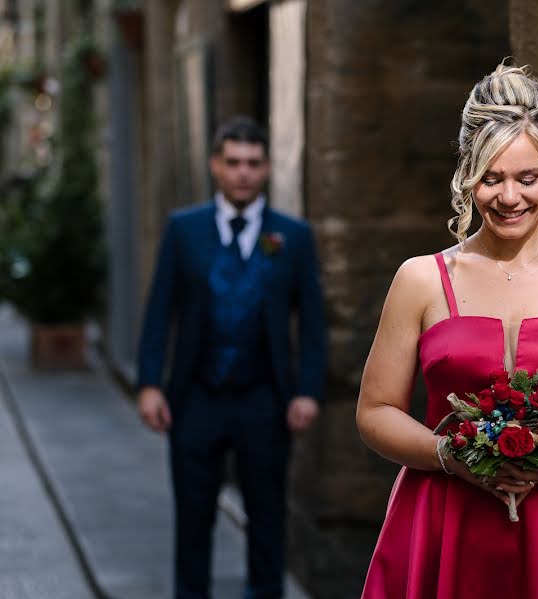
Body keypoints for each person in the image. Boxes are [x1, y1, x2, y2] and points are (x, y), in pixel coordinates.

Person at [355, 63, 538, 598]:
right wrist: (451, 456)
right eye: (491, 179)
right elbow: (375, 411)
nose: (509, 198)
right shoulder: (420, 279)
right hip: (444, 519)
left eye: (527, 178)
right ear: (467, 172)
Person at [135, 116, 327, 599]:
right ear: (215, 166)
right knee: (193, 517)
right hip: (195, 397)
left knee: (267, 516)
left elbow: (313, 321)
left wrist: (307, 390)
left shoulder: (293, 236)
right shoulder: (184, 230)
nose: (243, 172)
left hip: (264, 398)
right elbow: (160, 310)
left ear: (265, 170)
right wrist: (150, 383)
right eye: (234, 162)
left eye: (253, 163)